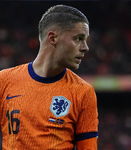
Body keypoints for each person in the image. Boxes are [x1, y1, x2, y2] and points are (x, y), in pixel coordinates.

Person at [0, 4, 98, 150]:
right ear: (52, 38)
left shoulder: (83, 92)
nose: (85, 47)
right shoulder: (4, 80)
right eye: (78, 38)